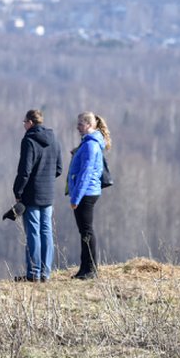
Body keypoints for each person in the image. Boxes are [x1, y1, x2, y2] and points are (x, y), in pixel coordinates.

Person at [12, 109, 62, 282]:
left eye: (24, 122)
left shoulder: (29, 140)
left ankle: (33, 273)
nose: (23, 125)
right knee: (46, 231)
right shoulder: (54, 139)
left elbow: (24, 171)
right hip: (48, 194)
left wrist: (18, 191)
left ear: (30, 123)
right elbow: (59, 168)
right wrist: (46, 179)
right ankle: (45, 274)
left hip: (31, 194)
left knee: (33, 232)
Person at [66, 111, 111, 280]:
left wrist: (75, 198)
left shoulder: (91, 145)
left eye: (80, 124)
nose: (77, 127)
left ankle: (91, 269)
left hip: (86, 193)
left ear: (89, 125)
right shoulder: (88, 143)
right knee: (84, 231)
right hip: (87, 191)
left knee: (86, 231)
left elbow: (85, 173)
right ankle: (84, 268)